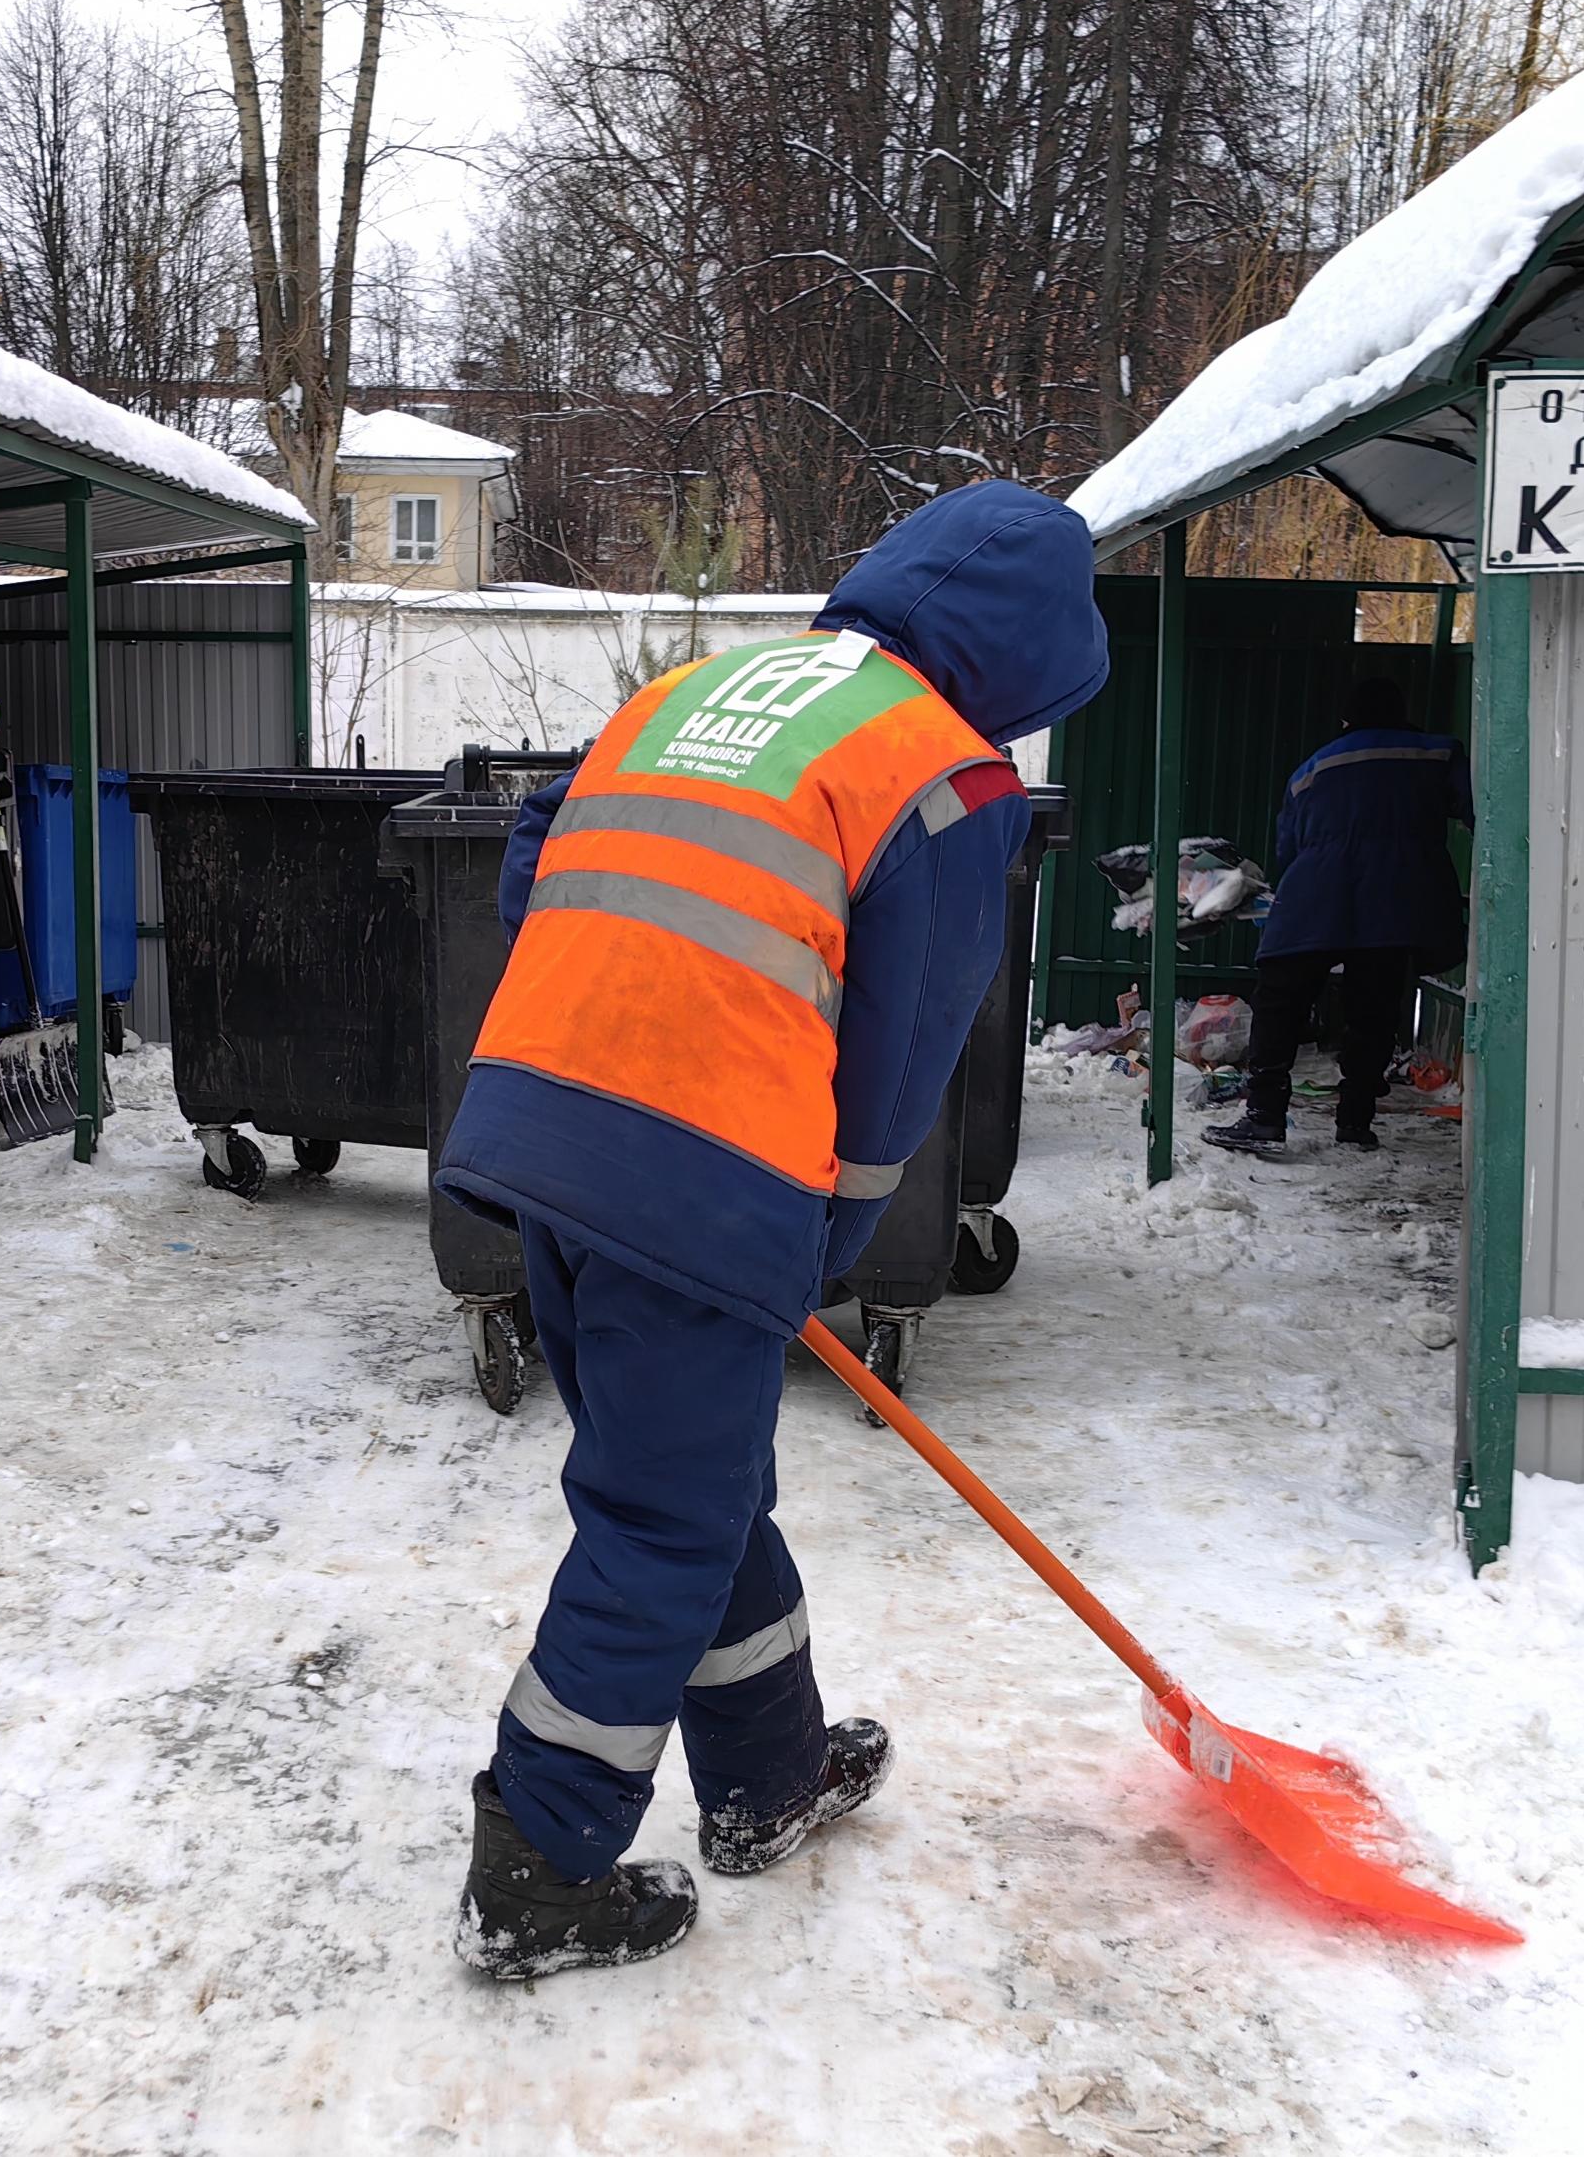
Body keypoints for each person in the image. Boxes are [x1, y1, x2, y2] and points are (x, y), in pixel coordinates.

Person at [432, 481, 1111, 1979]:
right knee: (664, 1523)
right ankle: (536, 1862)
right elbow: (896, 1072)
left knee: (700, 1490)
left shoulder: (694, 690)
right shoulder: (939, 775)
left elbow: (533, 862)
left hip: (540, 1125)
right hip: (694, 1165)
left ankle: (765, 1779)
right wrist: (819, 1232)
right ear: (1021, 653)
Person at [1203, 676, 1472, 1155]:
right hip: (1394, 901)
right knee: (1374, 1010)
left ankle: (1264, 1115)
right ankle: (1355, 1122)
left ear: (1347, 721)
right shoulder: (1438, 753)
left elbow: (1289, 846)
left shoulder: (1312, 768)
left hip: (1314, 895)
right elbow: (1478, 810)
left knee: (1280, 1003)